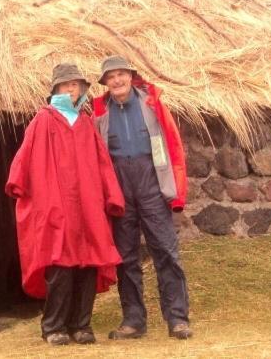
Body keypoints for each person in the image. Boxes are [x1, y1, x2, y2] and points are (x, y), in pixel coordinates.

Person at [5, 62, 125, 346]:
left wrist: (112, 195)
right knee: (60, 266)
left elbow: (102, 163)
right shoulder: (44, 120)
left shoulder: (85, 123)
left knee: (88, 264)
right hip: (57, 204)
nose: (71, 89)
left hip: (87, 205)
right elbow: (25, 157)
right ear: (56, 90)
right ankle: (54, 327)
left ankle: (81, 325)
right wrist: (18, 183)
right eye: (65, 84)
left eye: (75, 84)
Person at [92, 55, 193, 340]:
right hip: (119, 187)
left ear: (131, 76)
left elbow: (173, 144)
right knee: (125, 257)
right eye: (111, 77)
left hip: (151, 182)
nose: (117, 80)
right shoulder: (99, 112)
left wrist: (175, 189)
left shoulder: (152, 104)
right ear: (105, 83)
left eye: (121, 74)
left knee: (166, 252)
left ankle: (177, 319)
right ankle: (134, 321)